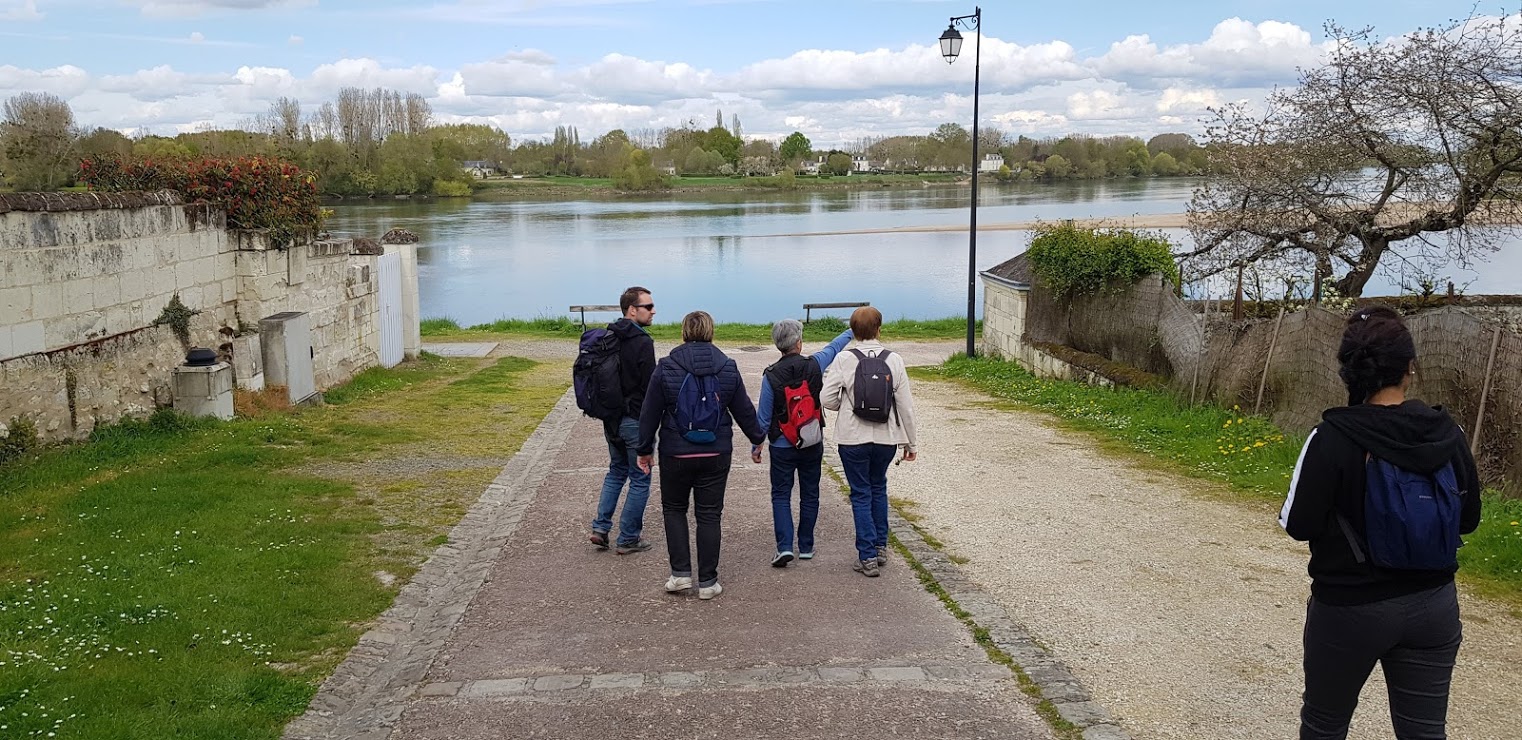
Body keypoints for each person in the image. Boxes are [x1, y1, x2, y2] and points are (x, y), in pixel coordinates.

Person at [1279, 306, 1482, 740]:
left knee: (1324, 726)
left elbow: (1298, 523)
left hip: (1349, 607)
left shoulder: (1331, 437)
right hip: (1433, 606)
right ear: (1410, 367)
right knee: (1425, 733)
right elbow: (1468, 520)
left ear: (1349, 372)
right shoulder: (1448, 434)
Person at [636, 311, 766, 600]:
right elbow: (744, 410)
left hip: (675, 453)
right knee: (709, 515)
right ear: (711, 333)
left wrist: (644, 450)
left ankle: (680, 575)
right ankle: (708, 582)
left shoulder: (666, 367)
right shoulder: (728, 367)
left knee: (674, 510)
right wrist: (757, 439)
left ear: (683, 333)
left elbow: (649, 413)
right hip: (716, 451)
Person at [820, 306, 918, 578]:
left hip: (853, 437)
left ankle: (867, 556)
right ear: (879, 328)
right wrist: (910, 443)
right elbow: (906, 406)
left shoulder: (843, 359)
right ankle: (880, 546)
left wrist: (846, 405)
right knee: (878, 487)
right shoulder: (894, 360)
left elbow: (826, 398)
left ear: (853, 331)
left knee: (860, 492)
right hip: (886, 438)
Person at [751, 319, 854, 567]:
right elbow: (834, 346)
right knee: (810, 493)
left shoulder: (771, 375)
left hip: (782, 444)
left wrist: (757, 445)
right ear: (799, 342)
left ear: (778, 345)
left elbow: (763, 417)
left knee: (781, 495)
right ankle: (806, 546)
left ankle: (785, 546)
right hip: (811, 441)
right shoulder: (815, 364)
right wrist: (852, 330)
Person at [588, 286, 657, 555]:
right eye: (648, 307)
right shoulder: (642, 342)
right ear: (632, 310)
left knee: (616, 471)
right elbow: (651, 389)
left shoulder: (609, 336)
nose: (653, 311)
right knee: (641, 477)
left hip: (611, 418)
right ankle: (628, 538)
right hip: (634, 420)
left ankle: (601, 528)